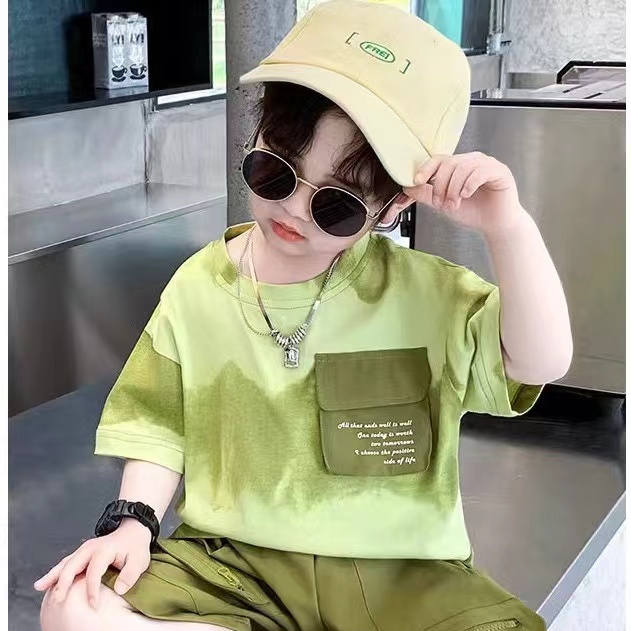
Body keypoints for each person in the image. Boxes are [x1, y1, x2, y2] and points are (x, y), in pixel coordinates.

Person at [35, 1, 573, 630]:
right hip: (232, 566)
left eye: (337, 205)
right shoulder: (199, 288)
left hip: (400, 577)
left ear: (393, 206)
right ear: (255, 135)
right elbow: (158, 423)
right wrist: (133, 521)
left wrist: (508, 227)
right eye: (274, 172)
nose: (292, 209)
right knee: (73, 605)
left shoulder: (426, 294)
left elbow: (541, 361)